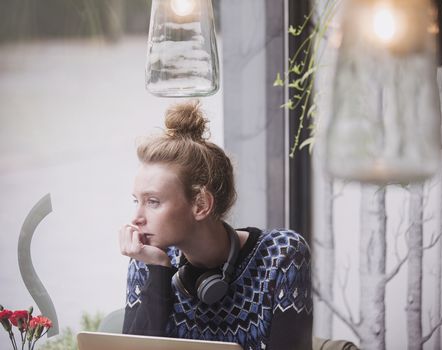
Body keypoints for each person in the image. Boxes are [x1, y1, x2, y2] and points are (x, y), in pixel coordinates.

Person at [119, 100, 313, 350]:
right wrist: (157, 270)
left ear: (200, 205)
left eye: (153, 201)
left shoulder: (282, 255)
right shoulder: (148, 258)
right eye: (137, 201)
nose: (136, 218)